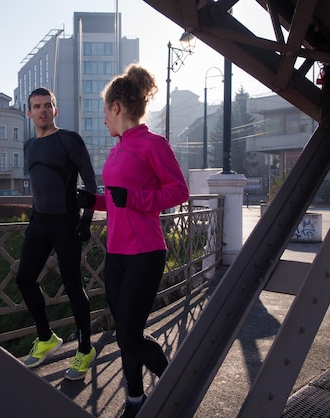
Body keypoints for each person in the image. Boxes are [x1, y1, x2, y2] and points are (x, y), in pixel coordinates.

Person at [77, 64, 189, 417]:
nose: (104, 121)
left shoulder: (153, 144)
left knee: (128, 336)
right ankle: (135, 402)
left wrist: (135, 200)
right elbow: (116, 199)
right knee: (126, 330)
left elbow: (179, 192)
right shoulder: (117, 148)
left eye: (104, 113)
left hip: (145, 252)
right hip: (116, 254)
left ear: (116, 108)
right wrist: (92, 201)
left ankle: (177, 390)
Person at [16, 87, 98, 381]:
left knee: (74, 286)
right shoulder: (29, 146)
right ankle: (46, 337)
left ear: (55, 109)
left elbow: (90, 183)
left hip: (66, 223)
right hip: (39, 224)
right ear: (29, 113)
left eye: (47, 105)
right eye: (36, 106)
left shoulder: (68, 139)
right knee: (24, 279)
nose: (42, 110)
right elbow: (39, 186)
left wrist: (86, 220)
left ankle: (85, 349)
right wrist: (33, 216)